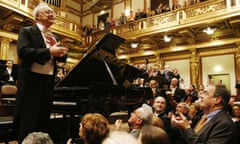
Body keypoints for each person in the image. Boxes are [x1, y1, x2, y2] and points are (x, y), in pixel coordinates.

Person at [14, 2, 68, 142]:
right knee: (29, 122)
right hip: (32, 83)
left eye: (53, 13)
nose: (52, 14)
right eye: (47, 12)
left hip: (48, 83)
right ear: (37, 16)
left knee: (43, 123)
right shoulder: (27, 31)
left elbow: (62, 58)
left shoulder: (54, 36)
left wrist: (60, 52)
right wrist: (49, 51)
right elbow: (23, 52)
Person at [171, 84, 235, 144]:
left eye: (205, 93)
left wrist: (187, 128)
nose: (200, 96)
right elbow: (193, 138)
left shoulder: (224, 123)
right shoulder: (204, 117)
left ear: (217, 100)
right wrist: (183, 128)